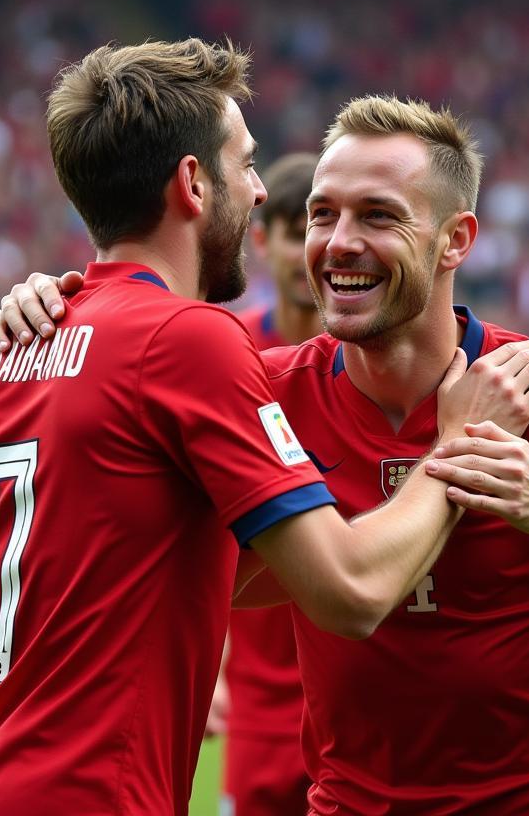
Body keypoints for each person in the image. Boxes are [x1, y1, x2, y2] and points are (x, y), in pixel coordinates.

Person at [0, 41, 521, 816]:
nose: (257, 192)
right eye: (244, 164)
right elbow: (349, 592)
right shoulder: (191, 342)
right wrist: (457, 443)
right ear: (191, 183)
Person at [0, 93, 529, 815]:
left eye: (377, 215)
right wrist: (54, 310)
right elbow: (158, 561)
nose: (339, 242)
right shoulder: (265, 395)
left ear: (455, 240)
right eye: (323, 213)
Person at [214, 152, 323, 815]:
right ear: (262, 240)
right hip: (259, 704)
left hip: (363, 692)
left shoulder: (384, 366)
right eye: (297, 230)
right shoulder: (227, 355)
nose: (314, 250)